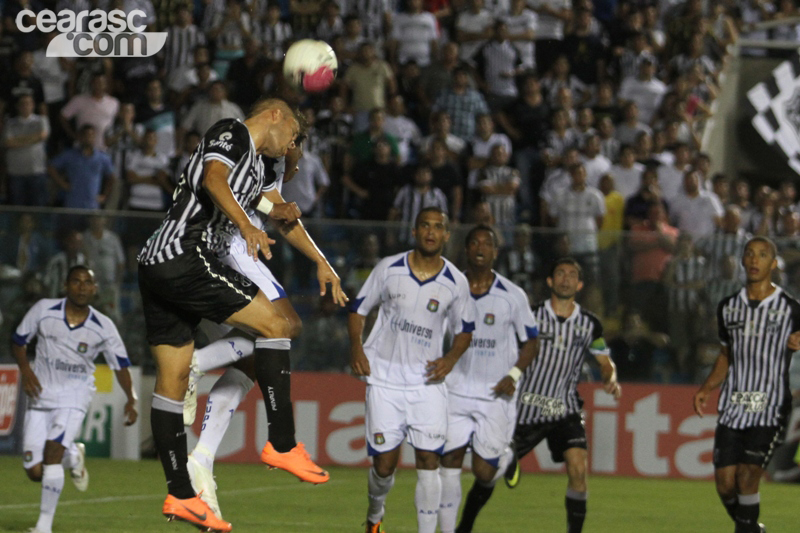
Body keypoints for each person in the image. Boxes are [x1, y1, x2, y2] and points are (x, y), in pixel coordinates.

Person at [137, 98, 343, 532]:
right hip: (186, 255)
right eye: (292, 135)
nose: (291, 146)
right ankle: (282, 444)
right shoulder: (232, 132)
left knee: (172, 381)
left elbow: (277, 211)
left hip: (156, 264)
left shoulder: (257, 169)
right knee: (278, 325)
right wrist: (248, 226)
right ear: (275, 116)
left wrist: (318, 259)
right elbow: (213, 178)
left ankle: (180, 494)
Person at [180, 143, 347, 518]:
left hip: (208, 259)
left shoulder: (266, 165)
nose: (298, 158)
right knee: (286, 325)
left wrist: (319, 259)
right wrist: (318, 259)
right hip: (231, 250)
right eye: (297, 146)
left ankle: (202, 457)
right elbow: (258, 202)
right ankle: (195, 364)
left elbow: (275, 209)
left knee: (254, 358)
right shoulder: (255, 157)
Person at [349, 207, 476, 533]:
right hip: (385, 380)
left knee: (429, 461)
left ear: (446, 235)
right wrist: (357, 347)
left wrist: (450, 359)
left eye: (438, 227)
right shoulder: (388, 268)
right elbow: (358, 310)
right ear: (414, 231)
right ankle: (375, 514)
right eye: (425, 226)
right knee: (383, 467)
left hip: (427, 383)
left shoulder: (456, 282)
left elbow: (465, 331)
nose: (431, 232)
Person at [13, 265, 137, 533]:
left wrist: (131, 398)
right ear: (65, 285)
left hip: (74, 396)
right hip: (40, 395)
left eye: (87, 283)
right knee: (35, 471)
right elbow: (18, 341)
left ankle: (43, 527)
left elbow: (120, 366)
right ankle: (73, 455)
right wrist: (25, 370)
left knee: (52, 454)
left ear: (95, 289)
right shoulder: (44, 310)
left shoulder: (103, 326)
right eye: (76, 281)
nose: (82, 287)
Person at [502, 258, 621, 533]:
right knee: (490, 468)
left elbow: (605, 362)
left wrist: (611, 378)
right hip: (527, 408)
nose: (566, 279)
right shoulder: (530, 316)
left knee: (578, 469)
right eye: (560, 273)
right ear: (550, 281)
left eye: (571, 275)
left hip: (564, 408)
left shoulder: (590, 324)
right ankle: (507, 461)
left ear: (579, 285)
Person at [693, 236, 800, 533]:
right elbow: (725, 355)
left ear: (773, 264)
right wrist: (706, 388)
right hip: (734, 406)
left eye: (763, 255)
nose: (754, 259)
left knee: (748, 476)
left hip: (770, 406)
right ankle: (753, 529)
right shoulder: (728, 308)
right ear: (742, 260)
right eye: (750, 254)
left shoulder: (791, 308)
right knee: (725, 485)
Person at [438, 225, 539, 533]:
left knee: (483, 472)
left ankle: (506, 458)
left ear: (496, 252)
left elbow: (531, 342)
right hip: (456, 390)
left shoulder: (512, 295)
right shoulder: (450, 290)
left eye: (487, 244)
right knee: (449, 461)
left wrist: (514, 374)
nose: (480, 248)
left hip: (497, 393)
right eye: (475, 242)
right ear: (466, 249)